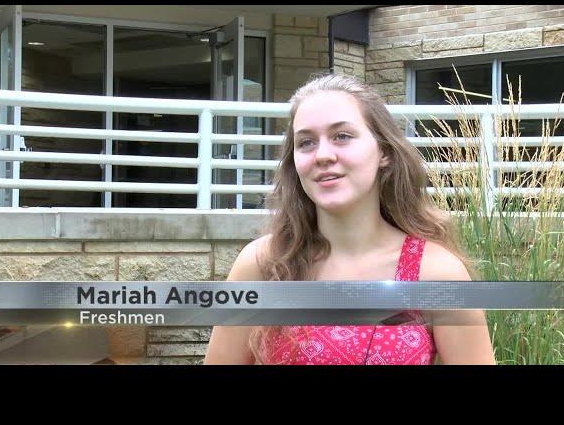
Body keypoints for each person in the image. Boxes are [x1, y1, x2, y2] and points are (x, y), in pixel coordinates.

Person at [204, 74, 496, 365]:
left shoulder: (435, 273)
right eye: (305, 142)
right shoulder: (262, 264)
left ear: (383, 151)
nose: (323, 155)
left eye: (341, 136)